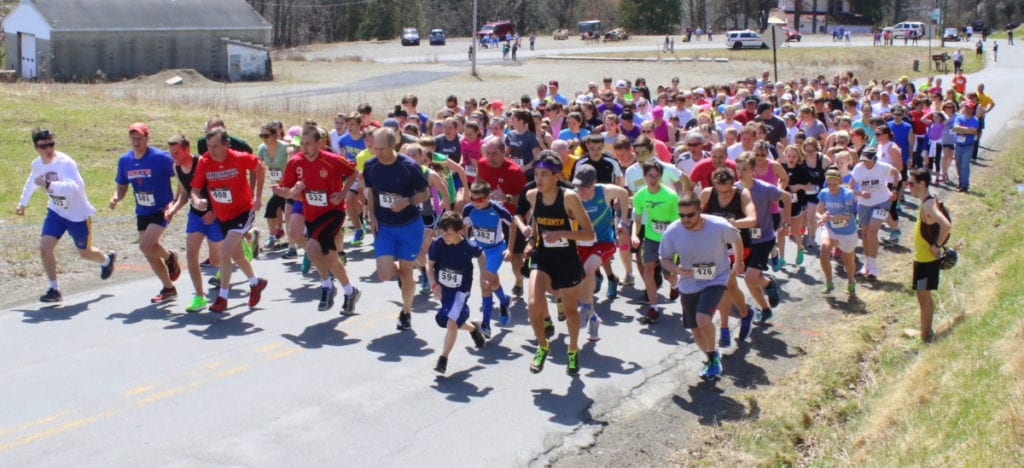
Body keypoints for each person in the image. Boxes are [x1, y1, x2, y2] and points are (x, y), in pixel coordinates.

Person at [17, 128, 115, 303]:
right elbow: (31, 181)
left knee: (84, 252)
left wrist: (49, 184)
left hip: (77, 215)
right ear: (36, 148)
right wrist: (22, 203)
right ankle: (54, 289)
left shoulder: (66, 163)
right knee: (45, 248)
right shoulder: (37, 164)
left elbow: (75, 187)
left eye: (51, 144)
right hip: (56, 211)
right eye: (43, 146)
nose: (49, 149)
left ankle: (106, 260)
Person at [276, 125, 361, 314]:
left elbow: (354, 173)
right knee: (330, 258)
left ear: (319, 144)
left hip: (333, 212)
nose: (304, 148)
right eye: (302, 144)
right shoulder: (295, 163)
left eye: (308, 144)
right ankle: (350, 291)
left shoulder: (332, 160)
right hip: (312, 214)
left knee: (313, 249)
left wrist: (342, 194)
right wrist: (291, 191)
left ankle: (327, 286)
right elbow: (284, 189)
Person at [659, 191, 744, 380]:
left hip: (716, 277)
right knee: (695, 328)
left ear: (700, 211)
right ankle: (712, 359)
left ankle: (713, 354)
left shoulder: (718, 225)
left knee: (702, 318)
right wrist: (676, 269)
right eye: (681, 215)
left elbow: (736, 238)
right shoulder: (673, 231)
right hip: (689, 282)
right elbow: (664, 259)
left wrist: (739, 262)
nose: (685, 219)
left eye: (690, 215)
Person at [524, 153, 595, 376]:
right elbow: (537, 224)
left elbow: (588, 233)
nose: (539, 179)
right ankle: (543, 345)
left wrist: (561, 233)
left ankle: (573, 349)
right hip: (543, 256)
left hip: (566, 259)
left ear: (556, 176)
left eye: (544, 174)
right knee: (533, 305)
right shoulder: (532, 195)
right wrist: (530, 241)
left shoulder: (569, 198)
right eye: (536, 174)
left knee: (571, 311)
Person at [190, 127, 268, 313]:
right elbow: (195, 189)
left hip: (242, 211)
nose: (212, 150)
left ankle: (222, 298)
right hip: (223, 215)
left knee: (224, 252)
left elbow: (260, 168)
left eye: (216, 146)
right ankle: (256, 283)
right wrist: (197, 201)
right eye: (209, 146)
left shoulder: (239, 158)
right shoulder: (204, 162)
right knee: (237, 255)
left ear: (226, 145)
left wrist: (257, 196)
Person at [363, 127, 431, 330]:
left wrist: (408, 201)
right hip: (385, 226)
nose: (378, 153)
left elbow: (425, 193)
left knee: (406, 273)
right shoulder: (371, 165)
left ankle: (406, 312)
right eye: (375, 148)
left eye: (382, 149)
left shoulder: (409, 166)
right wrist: (372, 216)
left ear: (393, 146)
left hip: (409, 226)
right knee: (384, 274)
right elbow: (371, 192)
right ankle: (407, 270)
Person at [109, 122, 181, 303]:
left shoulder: (160, 157)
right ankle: (168, 288)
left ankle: (169, 257)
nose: (136, 141)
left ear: (147, 138)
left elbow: (182, 175)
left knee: (145, 246)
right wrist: (116, 197)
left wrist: (175, 202)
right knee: (149, 252)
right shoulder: (125, 160)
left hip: (161, 209)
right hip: (142, 211)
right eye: (133, 138)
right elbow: (122, 185)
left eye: (140, 138)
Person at [166, 134, 226, 312]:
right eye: (171, 153)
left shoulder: (203, 163)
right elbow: (185, 193)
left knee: (216, 260)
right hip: (196, 216)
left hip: (215, 215)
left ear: (187, 149)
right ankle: (199, 296)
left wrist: (214, 212)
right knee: (191, 255)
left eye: (177, 152)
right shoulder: (176, 168)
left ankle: (241, 245)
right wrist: (174, 208)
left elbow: (220, 189)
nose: (174, 156)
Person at [699, 168, 757, 346]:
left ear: (733, 184)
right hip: (714, 245)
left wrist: (729, 224)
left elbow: (753, 220)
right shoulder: (707, 194)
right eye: (720, 191)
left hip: (738, 244)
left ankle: (724, 330)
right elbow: (694, 216)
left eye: (727, 191)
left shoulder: (742, 194)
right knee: (728, 286)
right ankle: (746, 313)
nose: (723, 195)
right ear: (714, 185)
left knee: (725, 284)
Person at [573, 165, 630, 340]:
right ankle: (593, 318)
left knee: (589, 269)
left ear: (594, 183)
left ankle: (585, 307)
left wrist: (624, 221)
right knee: (581, 282)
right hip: (581, 244)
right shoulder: (572, 196)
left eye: (585, 187)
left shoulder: (604, 192)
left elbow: (624, 194)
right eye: (578, 186)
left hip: (604, 242)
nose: (580, 190)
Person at [427, 211, 489, 374]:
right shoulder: (438, 243)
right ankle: (473, 328)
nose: (444, 236)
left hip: (461, 291)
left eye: (448, 234)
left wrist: (483, 275)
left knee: (451, 323)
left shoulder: (468, 247)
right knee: (449, 320)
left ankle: (443, 359)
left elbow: (481, 255)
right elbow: (429, 265)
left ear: (460, 232)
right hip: (444, 290)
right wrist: (434, 284)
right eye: (442, 232)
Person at [736, 152, 790, 324]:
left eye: (744, 169)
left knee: (750, 278)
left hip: (764, 238)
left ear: (753, 170)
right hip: (745, 240)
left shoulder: (764, 188)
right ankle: (765, 309)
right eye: (738, 169)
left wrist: (785, 221)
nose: (740, 172)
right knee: (750, 279)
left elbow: (787, 197)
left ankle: (768, 284)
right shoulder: (735, 189)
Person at [462, 181, 514, 336]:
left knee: (485, 283)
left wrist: (510, 249)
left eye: (479, 200)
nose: (476, 203)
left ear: (488, 197)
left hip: (496, 249)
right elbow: (465, 226)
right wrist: (466, 242)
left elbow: (513, 225)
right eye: (473, 199)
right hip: (480, 249)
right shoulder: (468, 209)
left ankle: (486, 325)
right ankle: (504, 300)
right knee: (492, 281)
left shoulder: (497, 209)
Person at [631, 160, 680, 322]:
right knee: (648, 270)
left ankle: (674, 285)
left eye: (656, 176)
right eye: (650, 176)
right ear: (645, 176)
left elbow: (678, 222)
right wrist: (634, 235)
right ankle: (653, 307)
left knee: (668, 274)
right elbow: (637, 219)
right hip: (651, 237)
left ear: (660, 177)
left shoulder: (671, 196)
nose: (653, 179)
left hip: (669, 239)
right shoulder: (640, 195)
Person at [909, 168, 952, 342]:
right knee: (922, 295)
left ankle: (926, 337)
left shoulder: (928, 204)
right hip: (922, 258)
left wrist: (937, 245)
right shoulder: (926, 202)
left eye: (911, 183)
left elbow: (946, 225)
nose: (908, 186)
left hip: (927, 260)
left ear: (921, 184)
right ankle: (925, 333)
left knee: (923, 296)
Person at [849, 148, 901, 279]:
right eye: (864, 160)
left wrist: (893, 190)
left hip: (883, 202)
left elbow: (896, 173)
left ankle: (873, 267)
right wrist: (861, 193)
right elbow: (850, 188)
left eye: (868, 160)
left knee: (873, 231)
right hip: (864, 204)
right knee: (865, 234)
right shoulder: (858, 169)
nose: (865, 163)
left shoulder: (883, 167)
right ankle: (867, 264)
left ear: (874, 159)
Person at [815, 168, 859, 296]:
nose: (831, 187)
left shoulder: (848, 194)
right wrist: (821, 217)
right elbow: (818, 211)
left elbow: (847, 216)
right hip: (831, 229)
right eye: (829, 184)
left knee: (848, 260)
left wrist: (829, 217)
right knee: (824, 251)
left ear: (840, 182)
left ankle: (851, 280)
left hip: (847, 231)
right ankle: (829, 281)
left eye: (834, 184)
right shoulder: (824, 193)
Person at [257, 121, 289, 249]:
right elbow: (258, 166)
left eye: (266, 135)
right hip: (276, 187)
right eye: (262, 136)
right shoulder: (262, 148)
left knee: (289, 213)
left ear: (275, 135)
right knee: (270, 209)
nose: (264, 139)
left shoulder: (285, 147)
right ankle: (272, 236)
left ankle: (298, 236)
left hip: (288, 187)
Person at [951, 101, 980, 192]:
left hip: (968, 146)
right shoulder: (959, 117)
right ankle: (960, 183)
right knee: (958, 165)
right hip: (958, 145)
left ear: (972, 110)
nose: (967, 109)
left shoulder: (975, 120)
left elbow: (973, 131)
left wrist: (962, 129)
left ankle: (965, 185)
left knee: (964, 165)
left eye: (969, 108)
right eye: (966, 107)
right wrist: (967, 130)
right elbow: (955, 128)